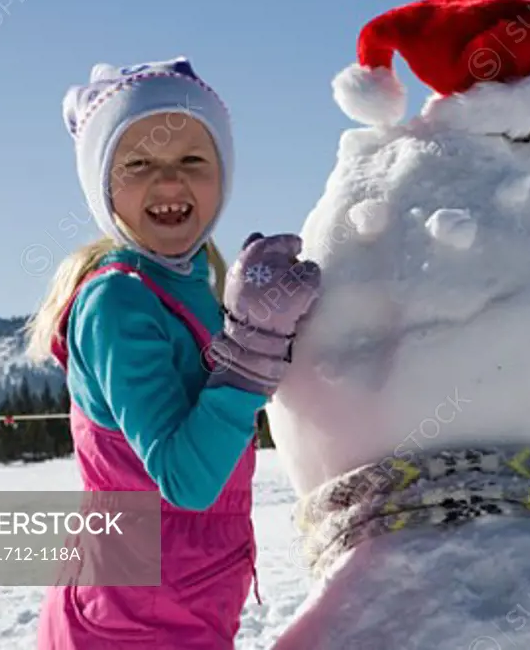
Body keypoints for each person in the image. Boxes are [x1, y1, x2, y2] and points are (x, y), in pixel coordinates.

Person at [26, 57, 321, 649]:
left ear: (223, 176)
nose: (168, 183)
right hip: (129, 621)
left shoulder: (192, 285)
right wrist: (254, 347)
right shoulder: (118, 301)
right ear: (101, 185)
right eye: (137, 164)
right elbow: (185, 479)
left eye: (192, 160)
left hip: (185, 597)